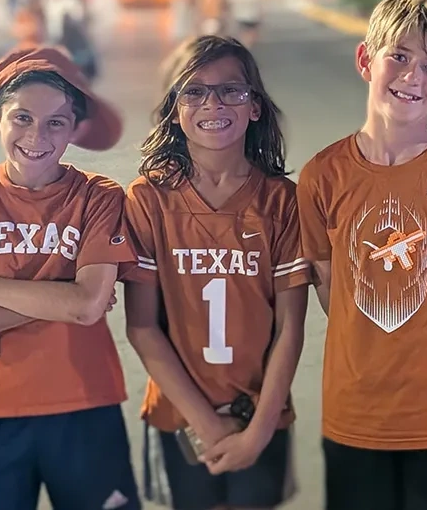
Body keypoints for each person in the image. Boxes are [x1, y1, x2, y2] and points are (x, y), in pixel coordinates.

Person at [0, 45, 140, 510]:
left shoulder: (98, 197)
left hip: (84, 403)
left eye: (57, 121)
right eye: (22, 118)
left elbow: (86, 306)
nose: (38, 134)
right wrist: (60, 294)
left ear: (75, 128)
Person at [297, 0, 427, 510]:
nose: (412, 77)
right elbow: (330, 289)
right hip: (354, 417)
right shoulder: (323, 176)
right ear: (366, 60)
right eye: (399, 56)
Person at [123, 35, 311, 510]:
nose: (213, 103)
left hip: (261, 415)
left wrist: (260, 429)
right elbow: (142, 327)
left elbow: (290, 327)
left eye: (232, 90)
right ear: (174, 109)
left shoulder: (281, 201)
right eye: (194, 91)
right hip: (179, 416)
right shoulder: (149, 200)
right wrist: (206, 424)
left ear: (255, 107)